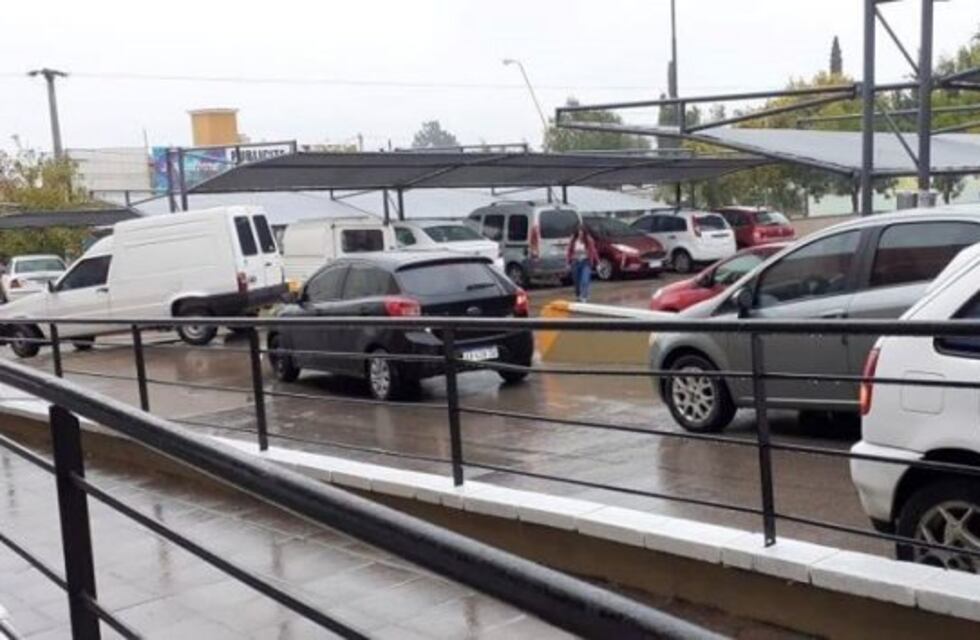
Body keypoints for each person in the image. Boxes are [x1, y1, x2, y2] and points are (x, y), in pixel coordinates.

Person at [565, 224, 598, 302]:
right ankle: (578, 294)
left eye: (582, 233)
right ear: (577, 233)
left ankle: (584, 296)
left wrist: (598, 262)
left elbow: (593, 251)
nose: (581, 235)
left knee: (585, 280)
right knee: (576, 281)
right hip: (575, 262)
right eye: (579, 233)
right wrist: (568, 262)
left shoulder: (589, 240)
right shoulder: (573, 240)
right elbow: (569, 251)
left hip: (586, 262)